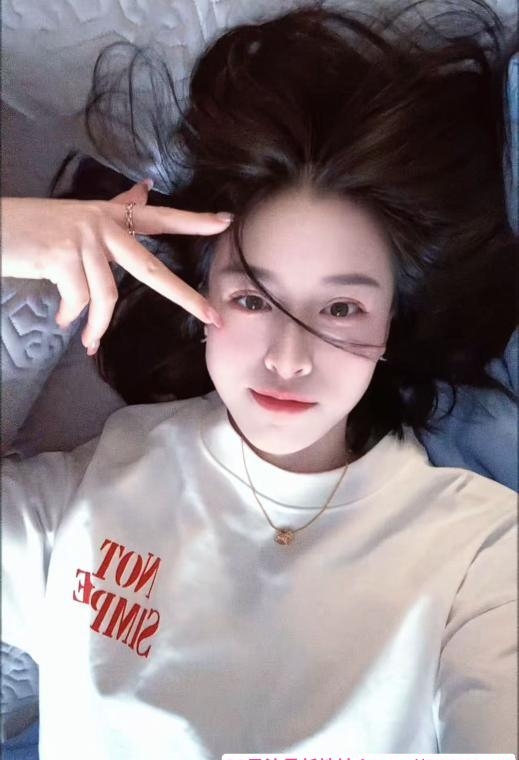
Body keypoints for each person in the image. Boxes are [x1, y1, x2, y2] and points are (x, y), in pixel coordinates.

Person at [2, 2, 517, 758]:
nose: (288, 357)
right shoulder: (87, 494)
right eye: (252, 299)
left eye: (340, 308)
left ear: (389, 325)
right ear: (198, 294)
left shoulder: (477, 548)